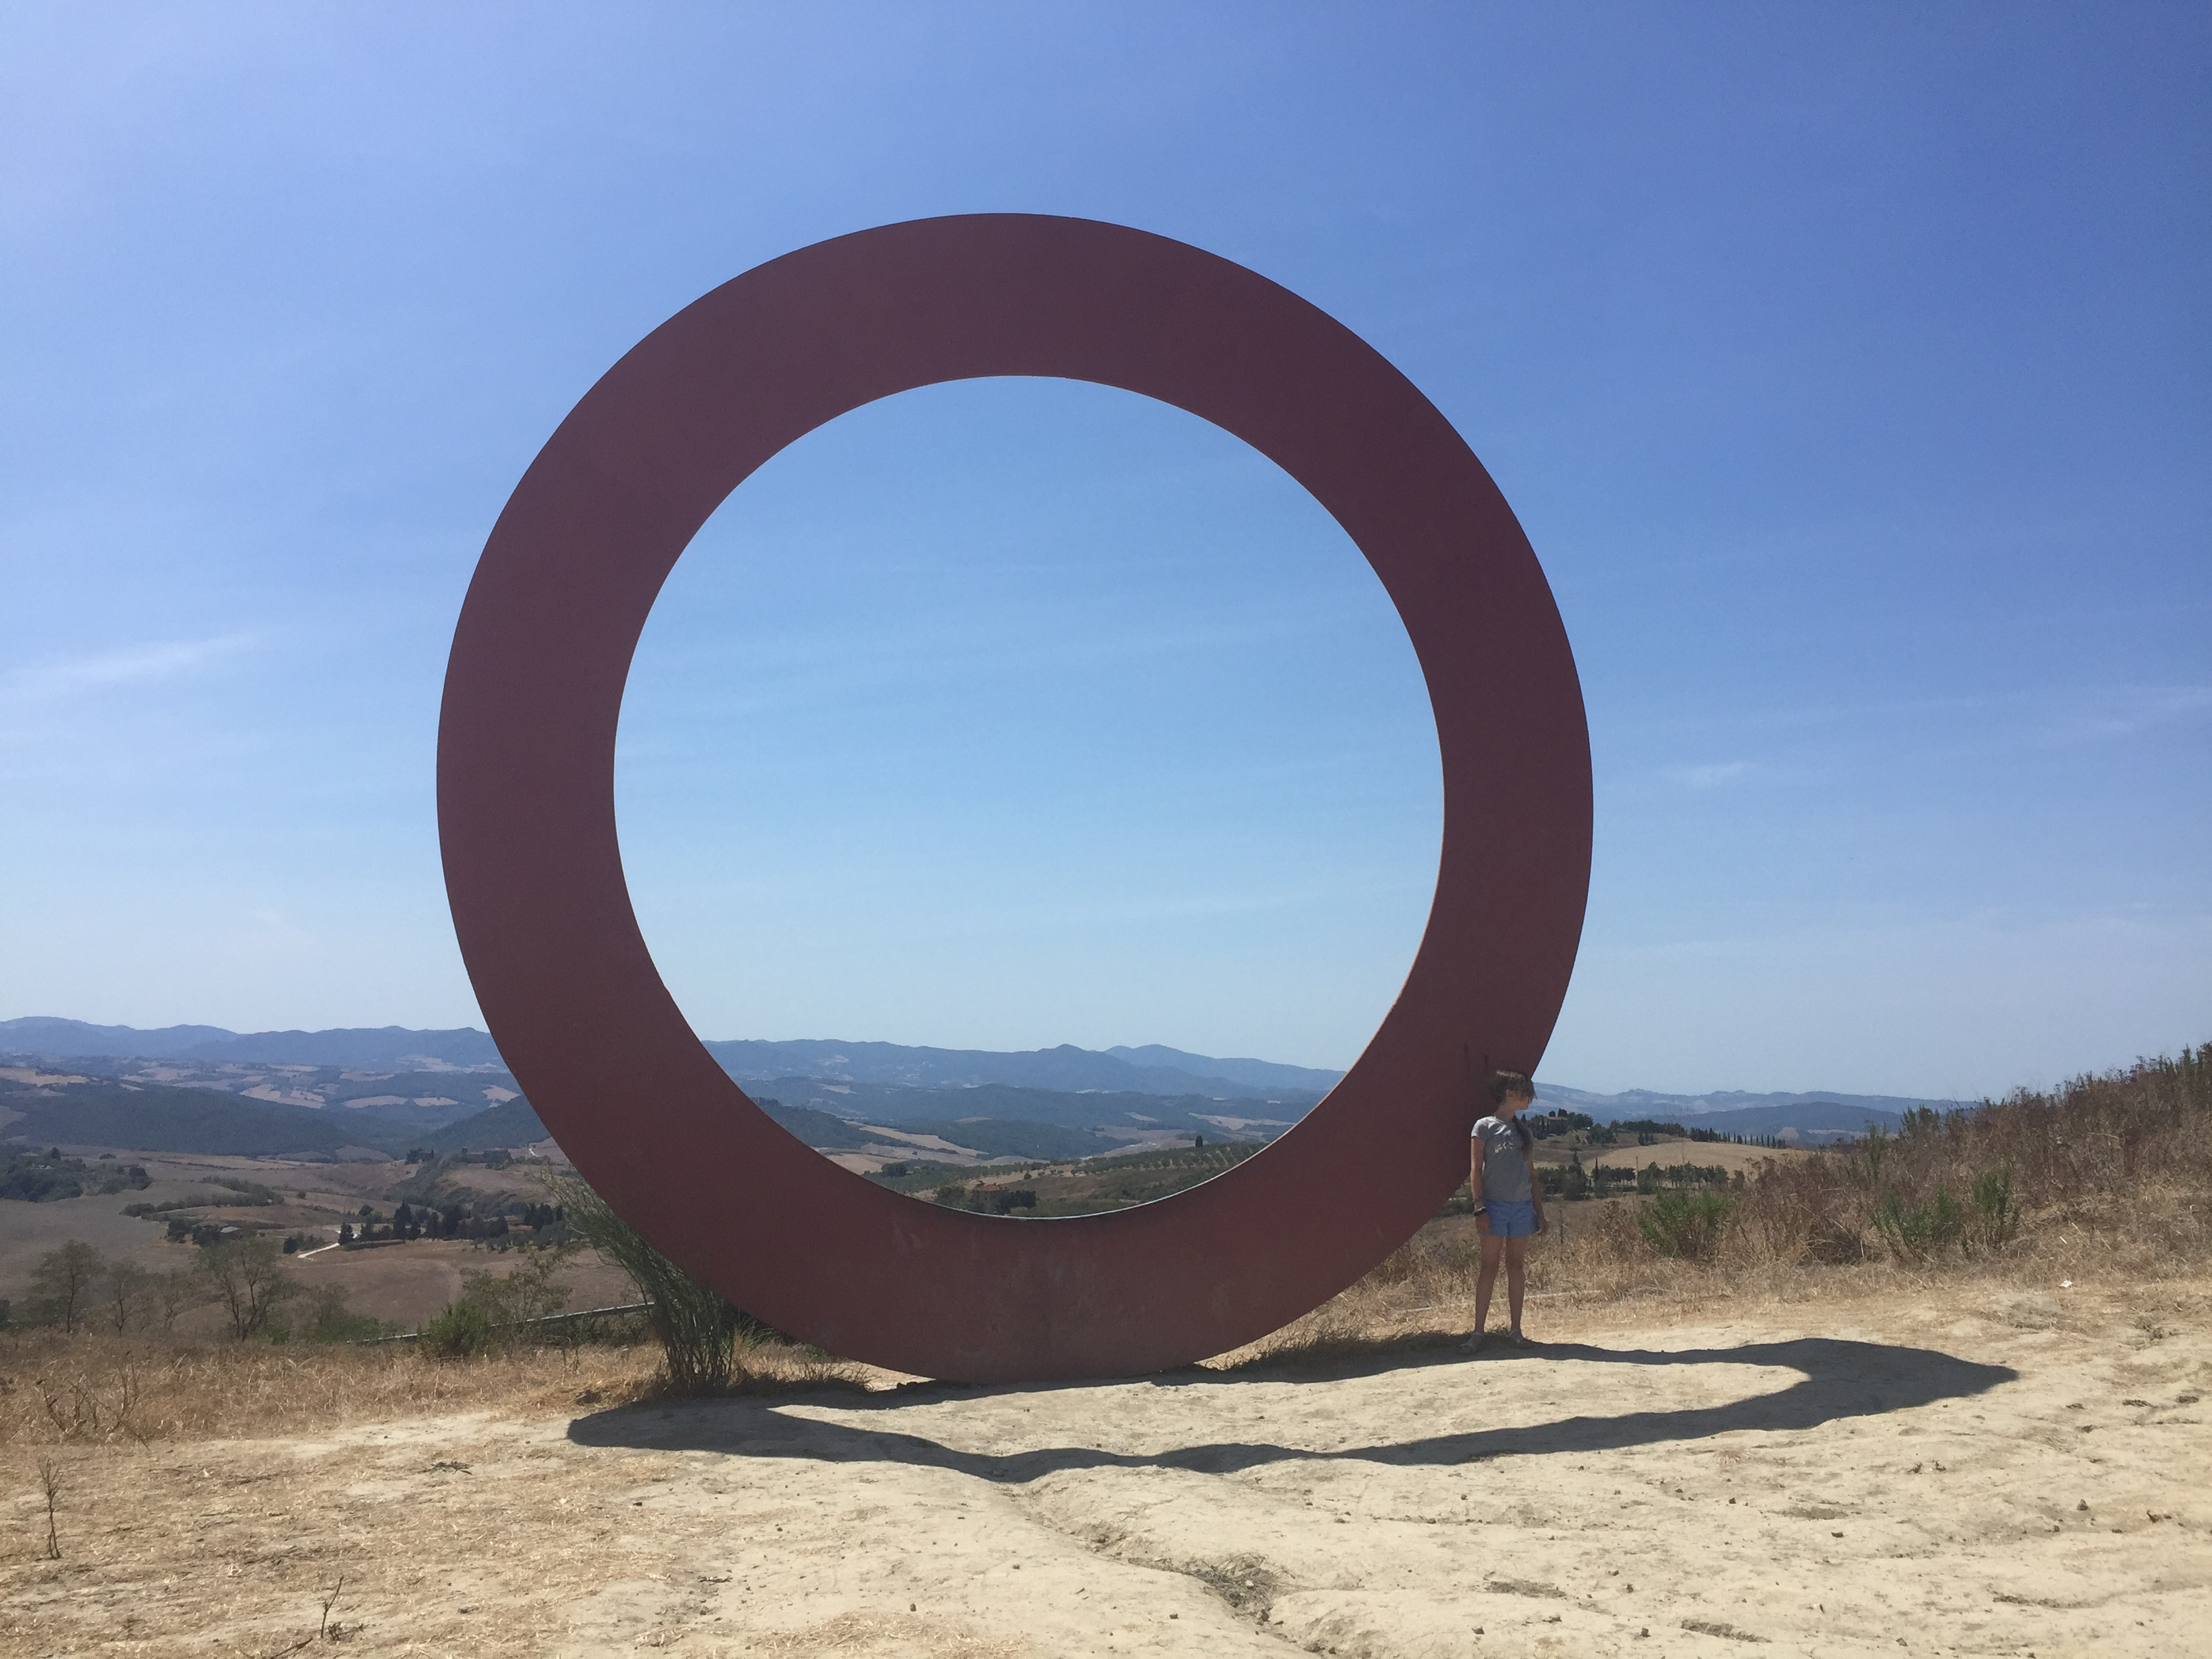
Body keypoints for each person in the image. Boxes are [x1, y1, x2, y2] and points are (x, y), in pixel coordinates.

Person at [1461, 1069, 1546, 1353]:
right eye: (1526, 1093)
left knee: (1516, 1266)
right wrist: (1479, 1206)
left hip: (1521, 1207)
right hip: (1494, 1206)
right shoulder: (1483, 1127)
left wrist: (1539, 1212)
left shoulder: (1525, 1132)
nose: (1530, 1099)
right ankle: (1478, 1332)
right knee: (1489, 1267)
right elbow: (1475, 1170)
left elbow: (1531, 1174)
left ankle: (1516, 1330)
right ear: (1510, 1094)